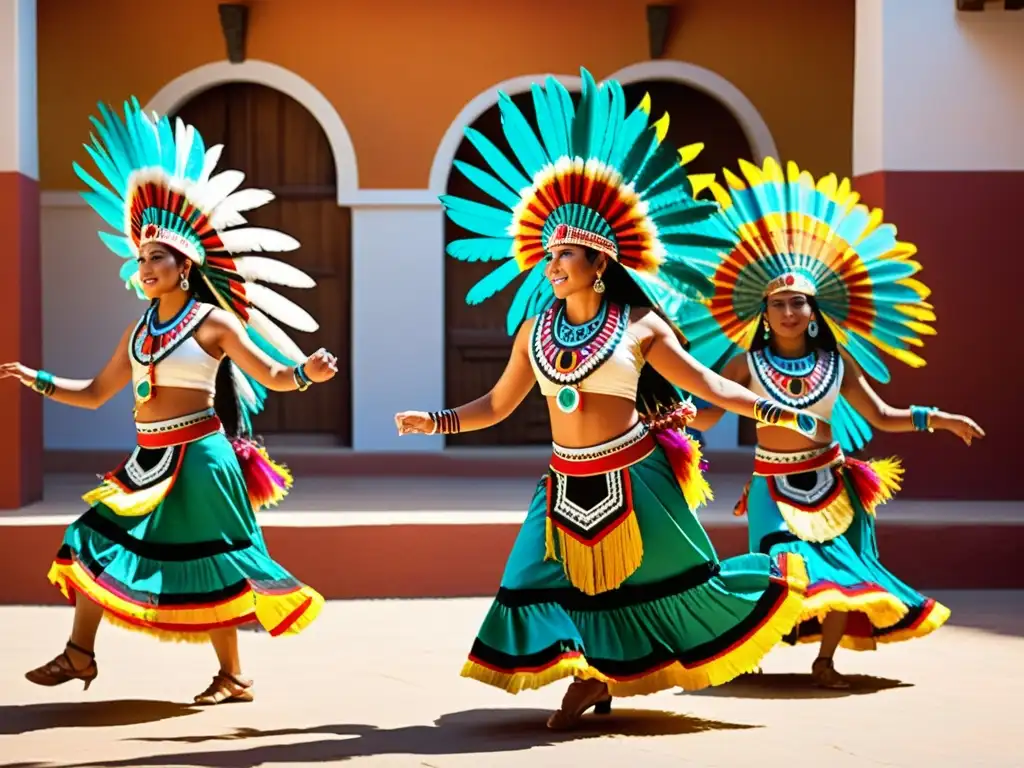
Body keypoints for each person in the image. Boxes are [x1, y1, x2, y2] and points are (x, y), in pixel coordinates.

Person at [395, 69, 826, 730]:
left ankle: (599, 682)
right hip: (563, 480)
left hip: (637, 477)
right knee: (529, 581)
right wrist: (439, 420)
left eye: (567, 253)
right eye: (547, 255)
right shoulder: (535, 330)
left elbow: (706, 385)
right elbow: (499, 403)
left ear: (600, 263)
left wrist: (769, 409)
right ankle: (589, 678)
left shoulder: (641, 326)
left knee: (667, 587)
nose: (553, 264)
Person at [1, 98, 336, 705]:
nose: (146, 265)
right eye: (142, 257)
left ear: (185, 268)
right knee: (91, 536)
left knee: (216, 564)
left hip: (202, 459)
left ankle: (233, 675)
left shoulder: (212, 323)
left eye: (159, 257)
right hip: (145, 459)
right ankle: (80, 654)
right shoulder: (137, 331)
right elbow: (99, 392)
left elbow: (271, 374)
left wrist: (305, 372)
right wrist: (41, 381)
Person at [681, 157, 985, 688]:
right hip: (771, 486)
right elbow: (708, 410)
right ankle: (744, 645)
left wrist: (938, 418)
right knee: (780, 564)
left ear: (813, 310)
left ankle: (824, 661)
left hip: (833, 482)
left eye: (798, 303)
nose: (789, 313)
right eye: (779, 305)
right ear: (764, 312)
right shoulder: (742, 364)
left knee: (843, 573)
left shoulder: (836, 364)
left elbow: (882, 416)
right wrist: (668, 412)